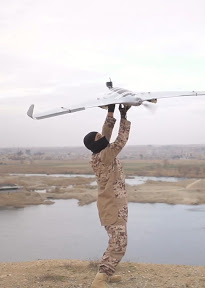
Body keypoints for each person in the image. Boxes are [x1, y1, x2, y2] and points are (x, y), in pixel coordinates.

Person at [83, 104, 131, 288]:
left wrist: (110, 112)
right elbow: (121, 140)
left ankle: (107, 275)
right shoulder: (105, 156)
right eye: (99, 138)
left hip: (113, 205)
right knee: (119, 243)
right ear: (96, 144)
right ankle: (100, 279)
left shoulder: (99, 153)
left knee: (116, 240)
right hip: (112, 206)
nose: (103, 137)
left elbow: (106, 136)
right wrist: (123, 115)